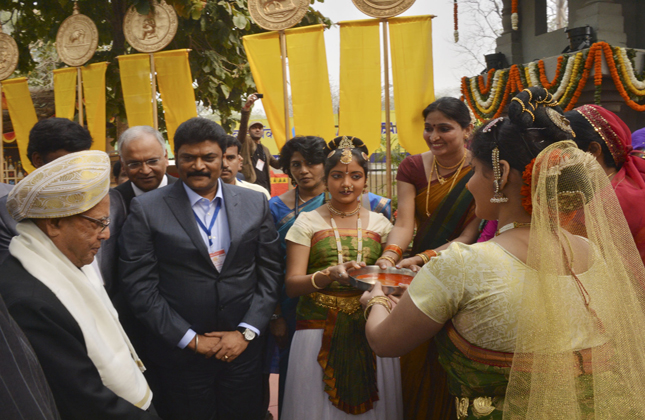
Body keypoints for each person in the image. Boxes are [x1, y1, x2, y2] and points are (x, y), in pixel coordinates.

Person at [362, 87, 645, 419]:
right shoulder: (592, 251)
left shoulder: (464, 266)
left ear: (502, 173)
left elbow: (384, 343)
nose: (467, 184)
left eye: (474, 170)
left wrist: (377, 299)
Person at [118, 117, 283, 420]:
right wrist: (191, 339)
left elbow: (270, 273)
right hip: (180, 359)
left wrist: (246, 332)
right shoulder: (147, 209)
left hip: (242, 354)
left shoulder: (254, 203)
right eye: (188, 158)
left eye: (208, 157)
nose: (198, 166)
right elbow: (139, 287)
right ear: (175, 159)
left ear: (224, 158)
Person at [0, 150, 158, 420]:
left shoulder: (60, 261)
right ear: (53, 223)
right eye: (98, 223)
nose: (106, 233)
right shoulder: (30, 299)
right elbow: (84, 398)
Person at [281, 136, 402, 420]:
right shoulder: (307, 222)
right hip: (316, 330)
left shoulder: (381, 224)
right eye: (337, 176)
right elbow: (291, 285)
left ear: (365, 181)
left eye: (355, 176)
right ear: (326, 179)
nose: (346, 184)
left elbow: (393, 279)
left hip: (372, 328)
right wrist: (327, 275)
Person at [376, 97, 480, 420]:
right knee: (415, 357)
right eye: (429, 128)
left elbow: (468, 237)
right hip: (416, 275)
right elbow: (405, 223)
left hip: (463, 269)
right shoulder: (412, 167)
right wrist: (389, 255)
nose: (434, 136)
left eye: (444, 128)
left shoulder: (483, 168)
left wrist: (423, 257)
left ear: (467, 130)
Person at [0, 118, 93, 265]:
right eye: (65, 164)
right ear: (38, 160)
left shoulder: (111, 201)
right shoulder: (7, 213)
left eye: (80, 162)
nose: (75, 171)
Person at [565, 105, 645, 263]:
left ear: (593, 150)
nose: (560, 159)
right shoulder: (599, 190)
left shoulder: (618, 199)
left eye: (567, 151)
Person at [114, 125, 177, 211]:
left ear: (165, 157)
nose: (145, 171)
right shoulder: (113, 202)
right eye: (134, 164)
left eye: (152, 161)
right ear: (122, 164)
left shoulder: (187, 193)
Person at [237, 94, 280, 193]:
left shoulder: (265, 149)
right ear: (249, 131)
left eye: (260, 128)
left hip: (265, 187)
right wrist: (246, 109)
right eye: (254, 127)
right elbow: (242, 128)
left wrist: (288, 151)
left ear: (263, 131)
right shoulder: (246, 142)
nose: (257, 130)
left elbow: (278, 165)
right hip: (250, 185)